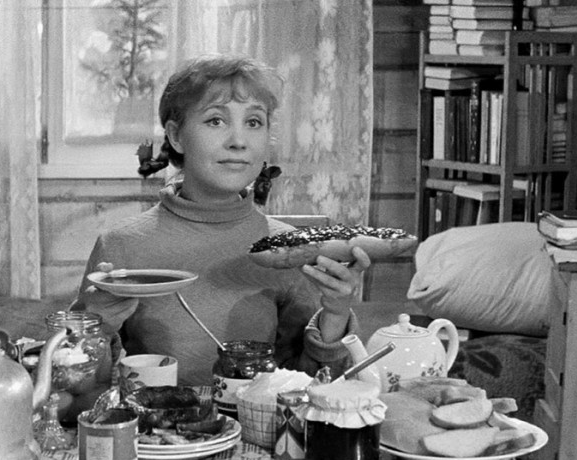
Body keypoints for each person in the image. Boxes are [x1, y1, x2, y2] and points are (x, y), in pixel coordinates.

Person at [75, 54, 370, 386]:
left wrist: (336, 312)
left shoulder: (288, 250)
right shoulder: (120, 245)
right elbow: (80, 389)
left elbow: (313, 388)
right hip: (152, 419)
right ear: (176, 136)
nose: (238, 141)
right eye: (216, 120)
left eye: (254, 122)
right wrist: (95, 327)